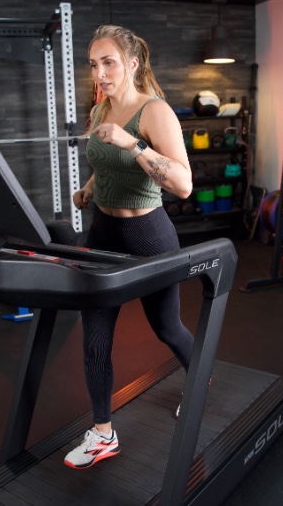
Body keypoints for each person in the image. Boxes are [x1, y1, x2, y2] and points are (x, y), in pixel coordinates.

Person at [63, 24, 195, 470]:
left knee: (167, 328)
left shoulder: (153, 112)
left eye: (108, 63)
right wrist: (88, 188)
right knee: (95, 338)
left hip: (148, 236)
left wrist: (133, 142)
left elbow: (182, 185)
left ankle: (200, 380)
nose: (99, 73)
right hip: (102, 234)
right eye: (93, 64)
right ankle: (103, 433)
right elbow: (107, 164)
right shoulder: (101, 110)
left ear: (132, 63)